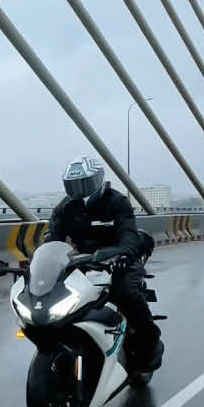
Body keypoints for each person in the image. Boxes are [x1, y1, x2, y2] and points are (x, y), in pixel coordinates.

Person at [44, 157, 164, 371]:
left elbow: (128, 233)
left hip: (119, 259)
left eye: (84, 184)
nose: (79, 191)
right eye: (73, 186)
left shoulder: (116, 202)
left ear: (98, 180)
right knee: (59, 298)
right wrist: (40, 264)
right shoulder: (65, 208)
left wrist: (125, 256)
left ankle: (151, 341)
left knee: (126, 292)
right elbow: (52, 239)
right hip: (84, 261)